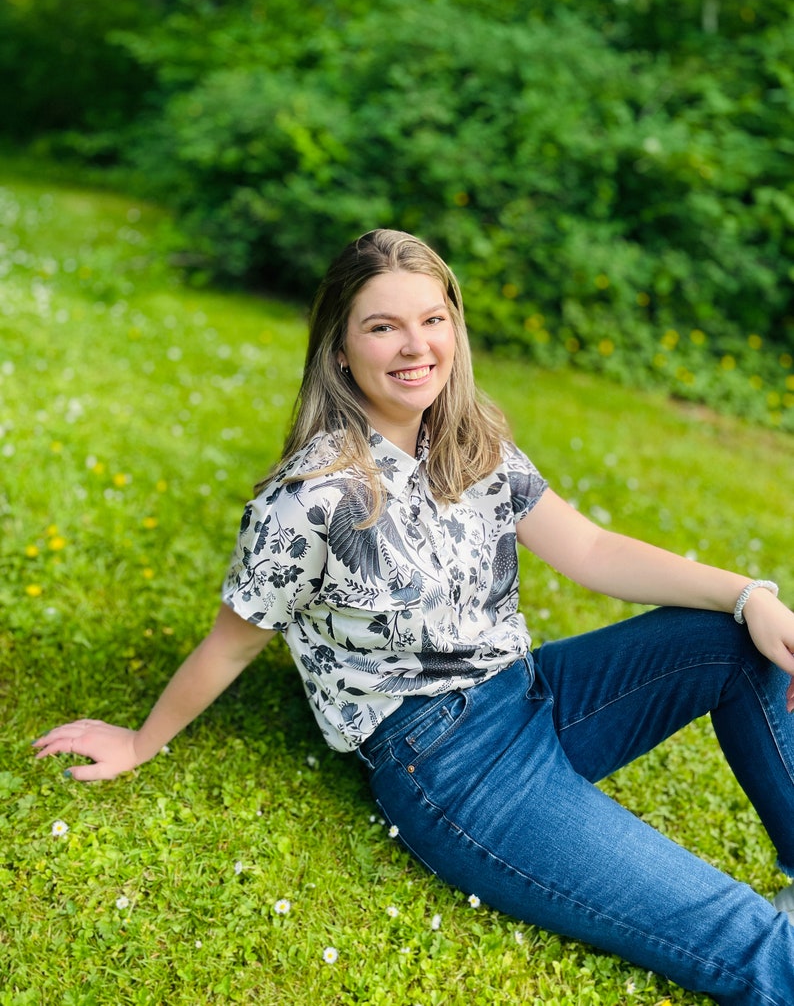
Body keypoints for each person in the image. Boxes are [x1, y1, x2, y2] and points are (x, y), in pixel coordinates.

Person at [34, 229, 794, 1004]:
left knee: (738, 637)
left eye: (433, 319)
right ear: (339, 351)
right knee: (748, 935)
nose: (415, 345)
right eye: (382, 326)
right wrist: (138, 740)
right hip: (450, 765)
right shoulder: (310, 499)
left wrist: (748, 593)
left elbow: (592, 549)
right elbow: (232, 644)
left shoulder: (472, 443)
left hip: (534, 694)